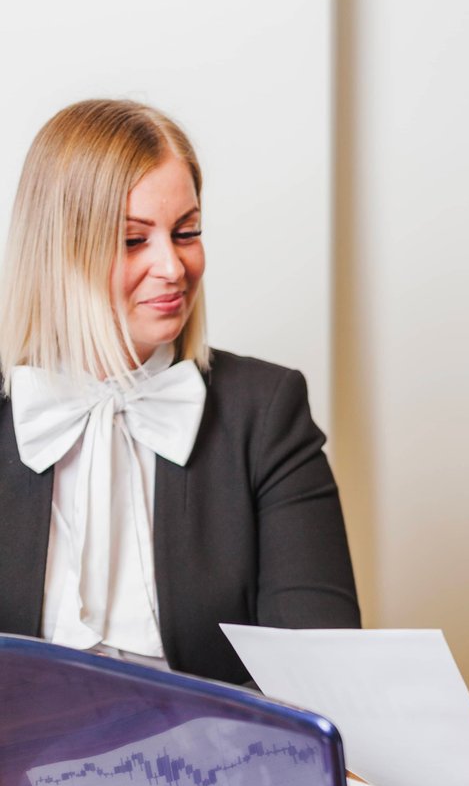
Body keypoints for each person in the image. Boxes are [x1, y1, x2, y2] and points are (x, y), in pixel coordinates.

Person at [0, 98, 360, 683]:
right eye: (133, 240)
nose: (173, 266)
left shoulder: (265, 412)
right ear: (57, 250)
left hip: (215, 769)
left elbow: (322, 673)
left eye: (186, 232)